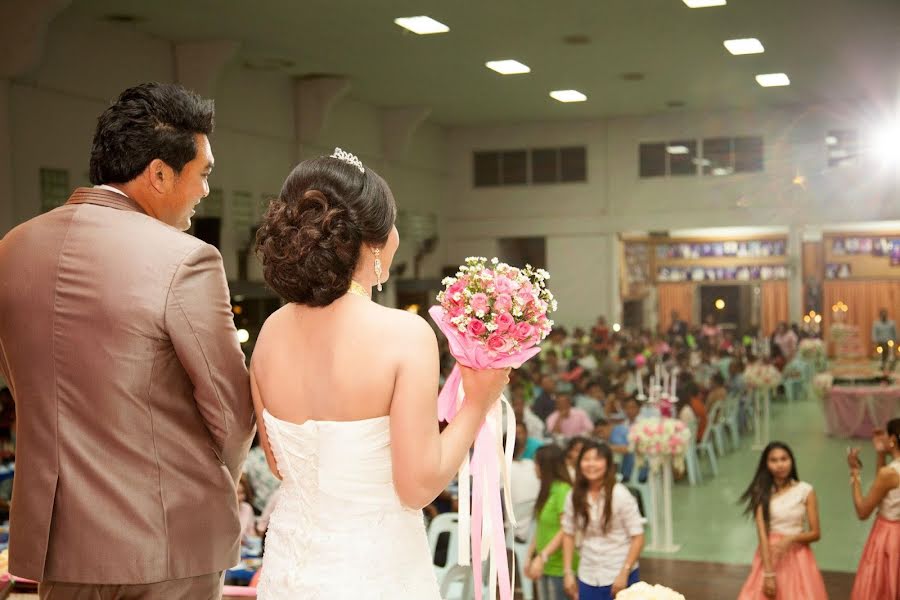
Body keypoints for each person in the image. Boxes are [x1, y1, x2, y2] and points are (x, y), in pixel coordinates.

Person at [0, 83, 255, 598]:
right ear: (159, 173)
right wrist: (206, 486)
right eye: (202, 174)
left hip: (60, 541)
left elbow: (21, 380)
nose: (206, 191)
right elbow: (232, 412)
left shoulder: (12, 248)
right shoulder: (185, 257)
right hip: (166, 536)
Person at [250, 149, 510, 599]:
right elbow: (417, 487)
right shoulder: (404, 334)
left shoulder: (271, 331)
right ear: (373, 241)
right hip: (375, 569)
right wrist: (478, 403)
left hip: (289, 571)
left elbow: (279, 463)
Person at [737, 442, 826, 599]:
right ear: (766, 464)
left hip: (799, 557)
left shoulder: (805, 490)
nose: (780, 465)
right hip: (770, 555)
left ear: (791, 461)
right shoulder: (761, 492)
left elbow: (816, 533)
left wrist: (791, 538)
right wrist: (769, 573)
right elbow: (762, 536)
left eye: (784, 459)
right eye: (774, 460)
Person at [562, 441, 644, 600]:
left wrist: (624, 573)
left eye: (597, 459)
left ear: (608, 464)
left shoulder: (620, 494)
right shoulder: (574, 495)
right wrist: (567, 572)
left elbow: (638, 537)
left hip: (619, 571)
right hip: (588, 573)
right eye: (586, 459)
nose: (591, 464)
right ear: (579, 464)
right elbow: (568, 533)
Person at [847, 418, 900, 599]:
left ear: (893, 438)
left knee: (882, 586)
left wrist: (854, 473)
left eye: (886, 434)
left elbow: (863, 511)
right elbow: (886, 492)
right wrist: (880, 454)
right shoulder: (890, 472)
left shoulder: (890, 474)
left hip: (889, 536)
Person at [525, 445, 576, 600]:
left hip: (559, 565)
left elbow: (565, 529)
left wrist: (543, 557)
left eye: (536, 463)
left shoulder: (563, 490)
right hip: (545, 563)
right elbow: (540, 527)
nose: (534, 468)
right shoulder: (547, 489)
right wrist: (530, 556)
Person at [510, 423, 541, 546]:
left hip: (509, 530)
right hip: (530, 530)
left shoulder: (501, 469)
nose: (518, 437)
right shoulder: (530, 465)